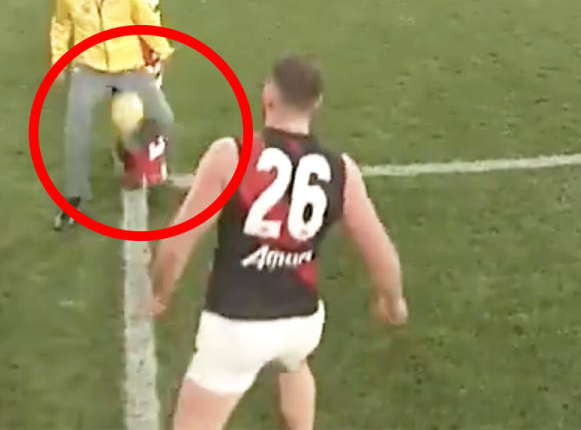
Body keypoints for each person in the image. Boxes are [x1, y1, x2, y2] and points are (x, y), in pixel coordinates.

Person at [149, 56, 408, 430]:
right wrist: (394, 302)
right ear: (316, 105)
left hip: (236, 325)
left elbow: (177, 243)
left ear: (268, 95)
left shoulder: (231, 155)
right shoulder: (342, 170)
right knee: (294, 362)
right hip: (301, 322)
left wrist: (160, 293)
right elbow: (381, 252)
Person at [50, 0, 176, 230]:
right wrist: (59, 62)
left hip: (129, 67)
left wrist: (163, 48)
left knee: (164, 118)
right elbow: (61, 27)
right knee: (76, 133)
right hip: (89, 69)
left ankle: (127, 146)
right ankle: (73, 200)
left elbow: (146, 18)